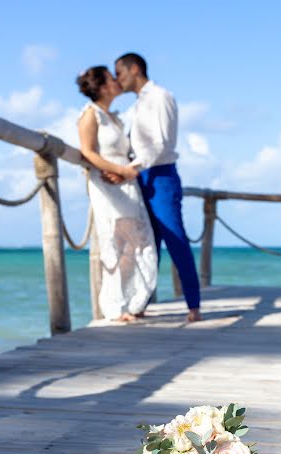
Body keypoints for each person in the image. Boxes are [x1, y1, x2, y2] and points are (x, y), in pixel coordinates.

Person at [103, 53, 202, 322]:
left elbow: (159, 145)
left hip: (160, 176)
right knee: (145, 243)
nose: (117, 80)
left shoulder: (160, 97)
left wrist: (127, 171)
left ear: (134, 69)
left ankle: (194, 305)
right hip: (140, 177)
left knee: (175, 238)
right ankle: (140, 303)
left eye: (119, 73)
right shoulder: (135, 106)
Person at [76, 66, 158, 322]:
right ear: (101, 86)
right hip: (106, 184)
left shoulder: (114, 117)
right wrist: (119, 170)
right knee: (114, 243)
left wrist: (126, 172)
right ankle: (114, 307)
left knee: (139, 244)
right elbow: (88, 152)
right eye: (112, 79)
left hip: (126, 183)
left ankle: (134, 301)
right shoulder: (91, 115)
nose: (117, 81)